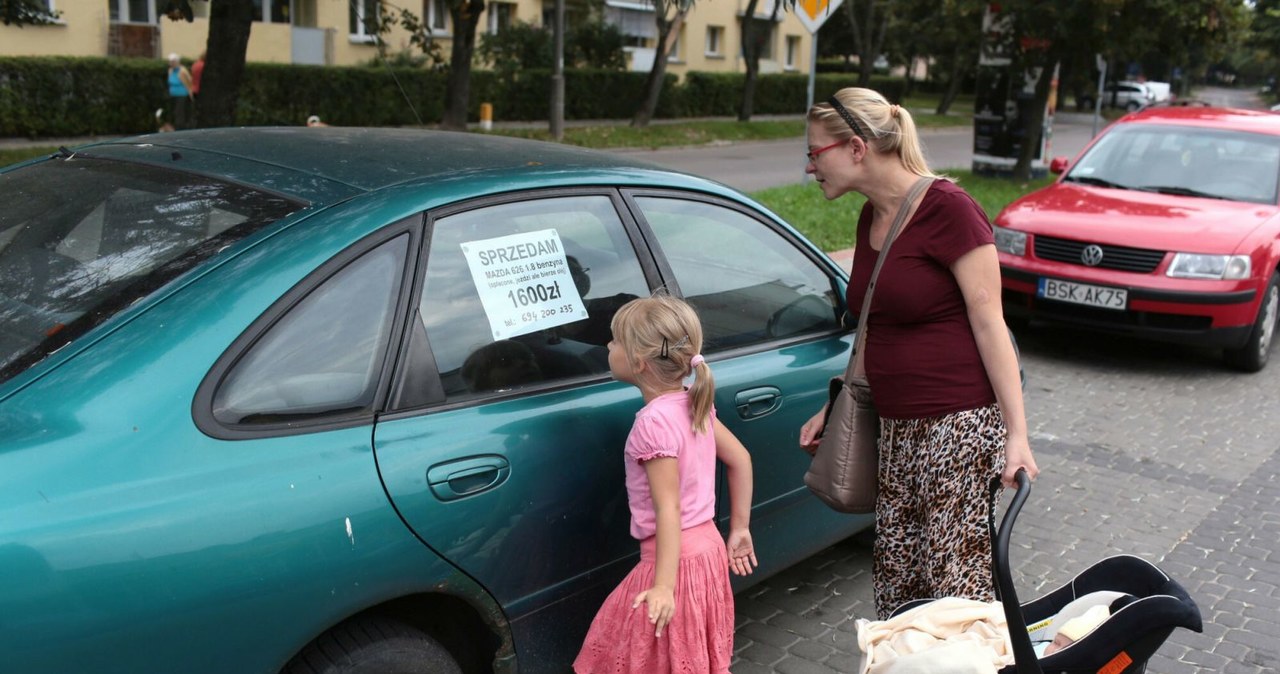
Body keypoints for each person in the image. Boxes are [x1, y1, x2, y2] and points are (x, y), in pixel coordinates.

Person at [797, 87, 1039, 621]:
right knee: (898, 581)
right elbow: (874, 327)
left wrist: (1017, 435)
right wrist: (836, 404)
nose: (810, 167)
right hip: (895, 428)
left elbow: (989, 321)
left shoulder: (950, 209)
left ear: (856, 148)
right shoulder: (871, 219)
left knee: (955, 587)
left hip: (957, 427)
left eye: (815, 153)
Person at [574, 294, 757, 674]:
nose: (607, 347)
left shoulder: (652, 423)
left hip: (672, 563)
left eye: (614, 340)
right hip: (706, 552)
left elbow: (667, 508)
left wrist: (663, 586)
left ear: (638, 361)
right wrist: (739, 528)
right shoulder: (692, 400)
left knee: (627, 653)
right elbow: (740, 459)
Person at [165, 53, 195, 130]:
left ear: (177, 62)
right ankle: (175, 127)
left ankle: (180, 128)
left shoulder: (182, 70)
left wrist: (190, 92)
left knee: (180, 113)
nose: (171, 63)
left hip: (182, 94)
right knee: (174, 113)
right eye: (170, 62)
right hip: (173, 94)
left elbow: (189, 81)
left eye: (173, 61)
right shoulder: (170, 70)